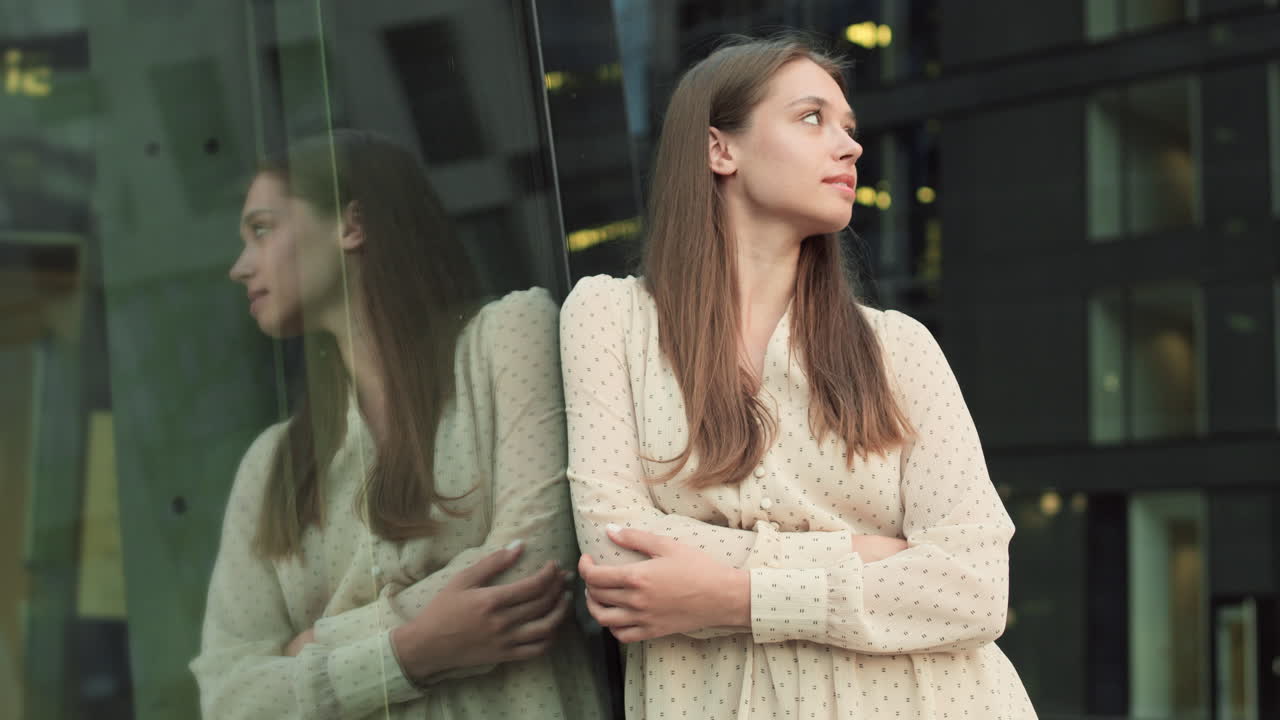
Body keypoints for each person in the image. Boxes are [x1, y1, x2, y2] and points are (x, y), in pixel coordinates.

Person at [560, 35, 1037, 719]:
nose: (850, 147)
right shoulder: (609, 318)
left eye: (848, 126)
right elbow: (617, 557)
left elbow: (974, 588)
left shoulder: (898, 348)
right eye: (812, 118)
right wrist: (869, 555)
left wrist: (737, 597)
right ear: (719, 149)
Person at [191, 130, 603, 719]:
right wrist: (408, 653)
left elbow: (535, 566)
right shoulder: (271, 464)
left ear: (351, 225)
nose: (239, 268)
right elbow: (229, 699)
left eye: (262, 229)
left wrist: (316, 643)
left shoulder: (508, 336)